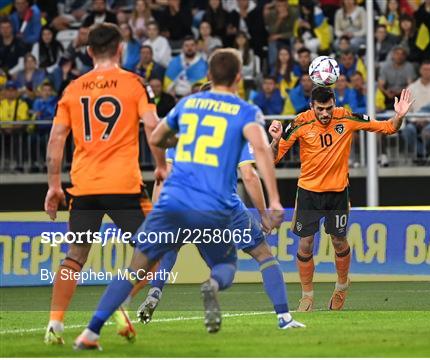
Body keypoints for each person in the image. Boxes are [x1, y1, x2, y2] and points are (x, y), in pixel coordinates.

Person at [73, 49, 300, 350]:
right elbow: (252, 170)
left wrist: (169, 155)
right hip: (217, 205)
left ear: (209, 75)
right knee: (257, 256)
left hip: (173, 202)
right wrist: (270, 206)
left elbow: (155, 138)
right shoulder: (245, 112)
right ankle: (280, 316)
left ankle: (90, 332)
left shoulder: (187, 105)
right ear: (236, 78)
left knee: (134, 269)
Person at [135, 83, 304, 330]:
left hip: (183, 203)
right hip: (223, 205)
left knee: (169, 248)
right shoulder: (232, 123)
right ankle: (283, 317)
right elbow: (249, 174)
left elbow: (165, 175)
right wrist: (264, 213)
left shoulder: (181, 131)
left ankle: (155, 292)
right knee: (260, 256)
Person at [43, 23, 167, 346]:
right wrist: (162, 166)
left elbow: (57, 138)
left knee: (75, 255)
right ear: (120, 49)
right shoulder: (135, 84)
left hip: (83, 186)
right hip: (123, 186)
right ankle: (119, 307)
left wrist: (54, 185)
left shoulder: (73, 88)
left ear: (88, 51)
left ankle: (54, 324)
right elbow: (153, 126)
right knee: (154, 252)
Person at [269, 86, 413, 311]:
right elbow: (272, 159)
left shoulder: (346, 117)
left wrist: (399, 116)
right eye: (320, 109)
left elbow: (388, 128)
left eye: (328, 108)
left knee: (338, 241)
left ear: (334, 103)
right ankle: (307, 296)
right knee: (305, 244)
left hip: (337, 192)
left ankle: (341, 287)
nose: (325, 114)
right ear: (311, 107)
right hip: (308, 192)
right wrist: (276, 141)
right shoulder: (299, 123)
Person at [403, 60, 430, 160]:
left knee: (428, 131)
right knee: (407, 130)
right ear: (420, 71)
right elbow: (407, 109)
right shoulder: (411, 88)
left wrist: (427, 120)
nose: (427, 72)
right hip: (414, 121)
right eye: (425, 69)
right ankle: (421, 153)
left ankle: (422, 154)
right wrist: (416, 120)